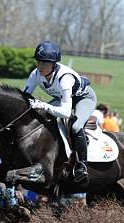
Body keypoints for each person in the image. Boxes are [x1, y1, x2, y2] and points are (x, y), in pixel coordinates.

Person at [24, 41, 95, 184]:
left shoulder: (64, 78)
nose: (40, 66)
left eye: (45, 63)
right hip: (61, 98)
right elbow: (24, 97)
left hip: (83, 98)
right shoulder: (35, 74)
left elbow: (65, 112)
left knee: (75, 126)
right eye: (38, 62)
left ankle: (82, 165)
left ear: (53, 64)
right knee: (41, 118)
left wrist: (43, 105)